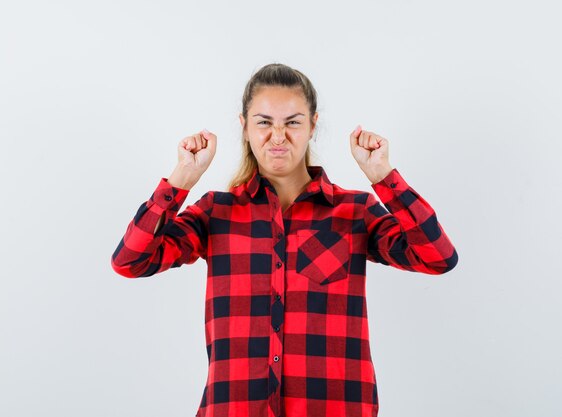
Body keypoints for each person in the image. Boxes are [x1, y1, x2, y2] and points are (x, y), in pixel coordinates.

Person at [110, 63, 459, 417]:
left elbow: (437, 257)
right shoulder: (216, 212)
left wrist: (383, 176)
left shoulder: (354, 212)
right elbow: (130, 261)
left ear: (312, 126)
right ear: (244, 127)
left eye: (292, 122)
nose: (278, 137)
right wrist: (182, 178)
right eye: (264, 122)